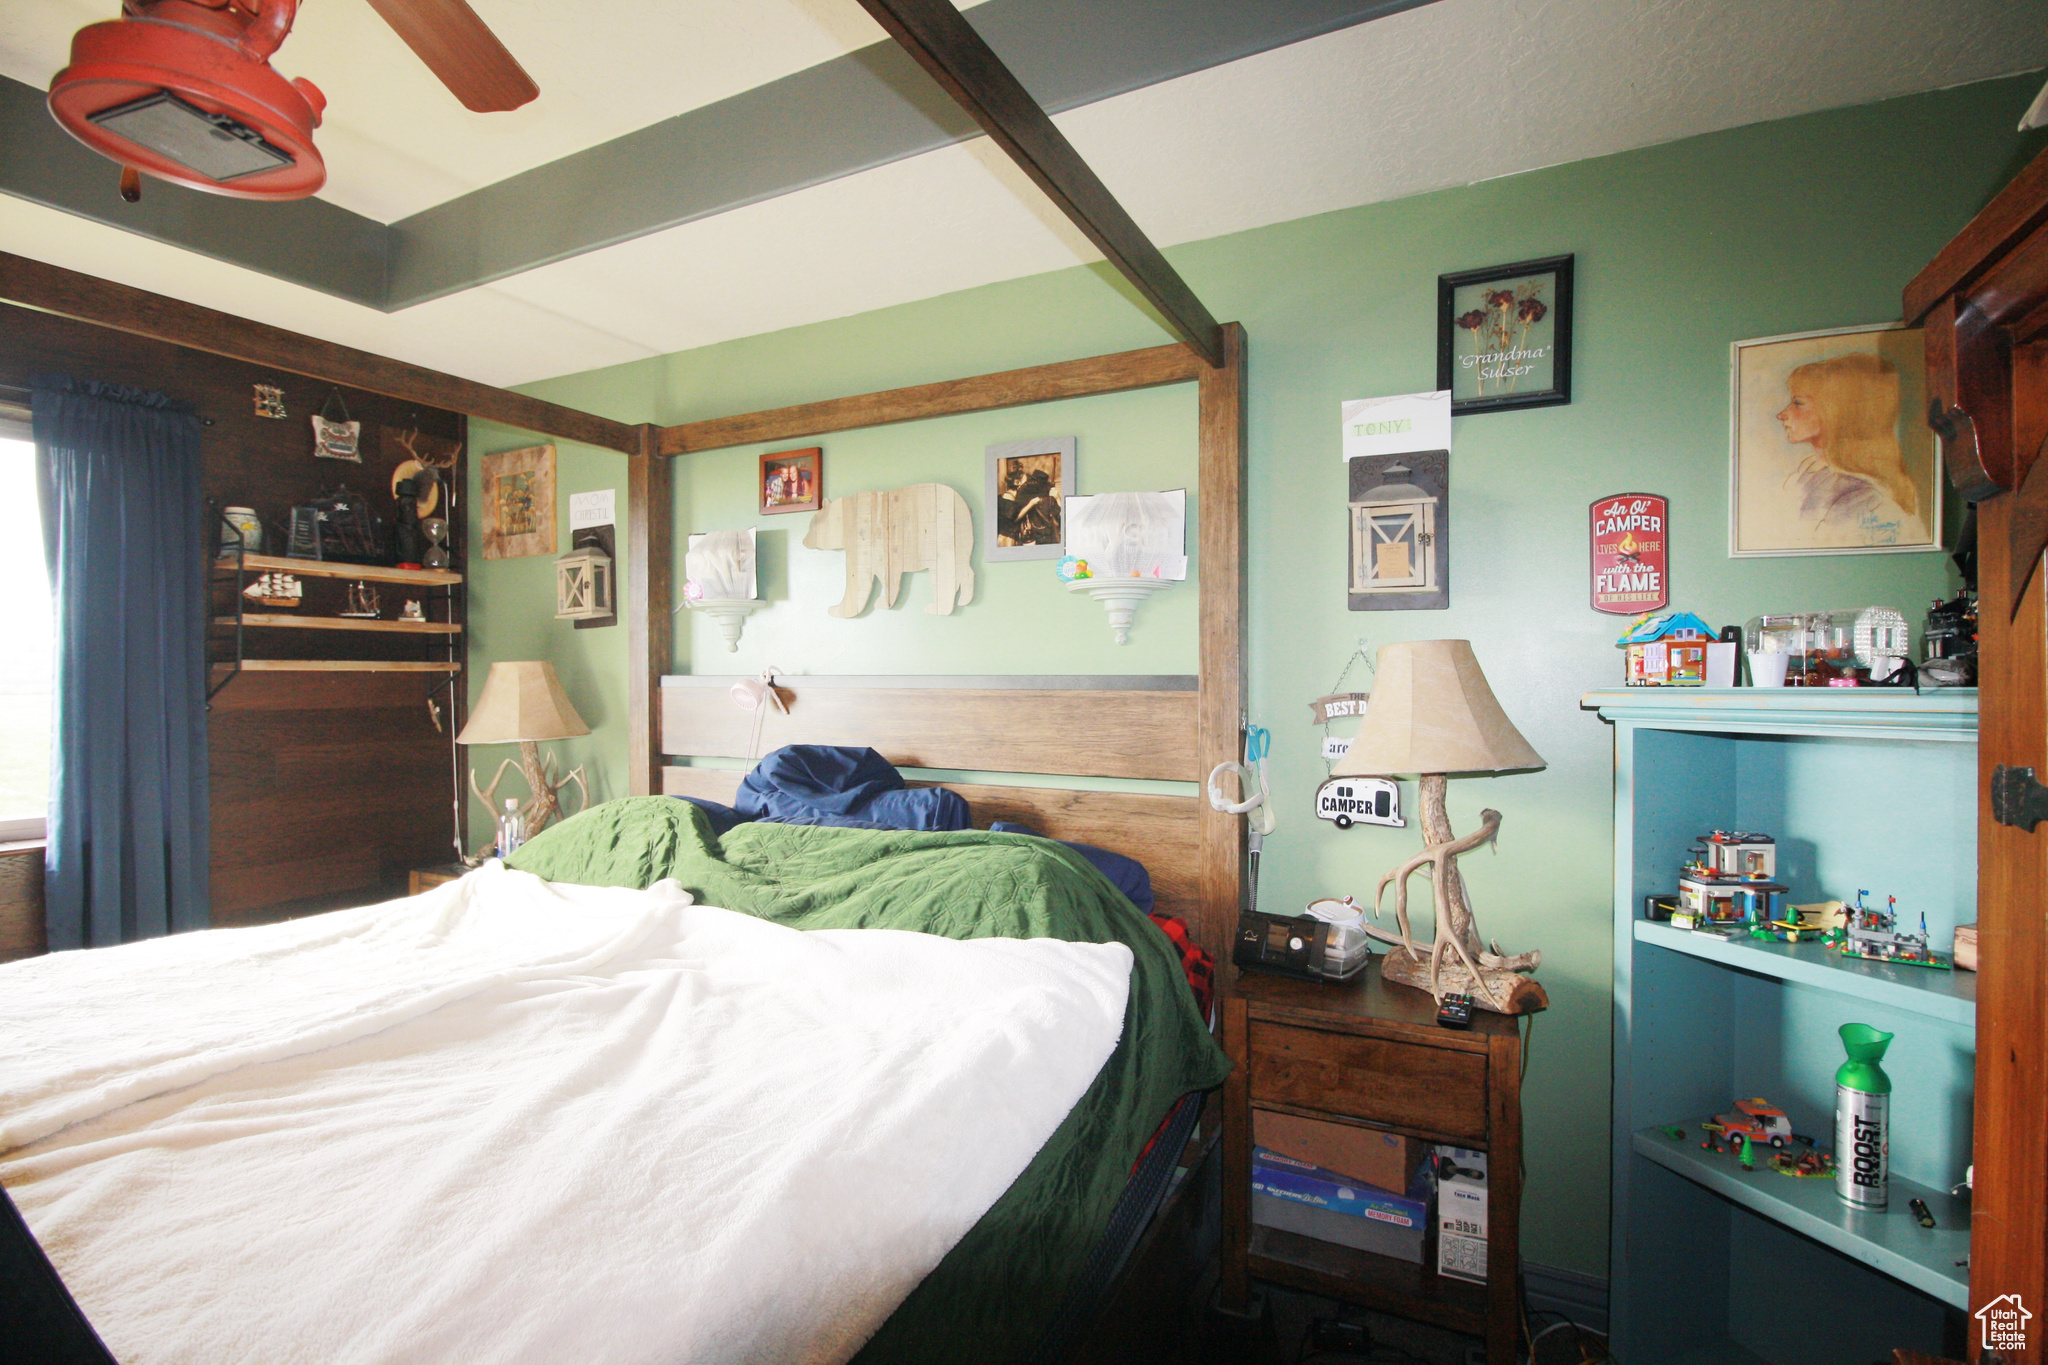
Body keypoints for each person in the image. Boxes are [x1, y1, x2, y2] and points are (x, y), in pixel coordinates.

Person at [1774, 352, 1925, 545]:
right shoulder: (1806, 472)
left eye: (1798, 403)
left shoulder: (1863, 495)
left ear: (1835, 410)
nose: (1782, 415)